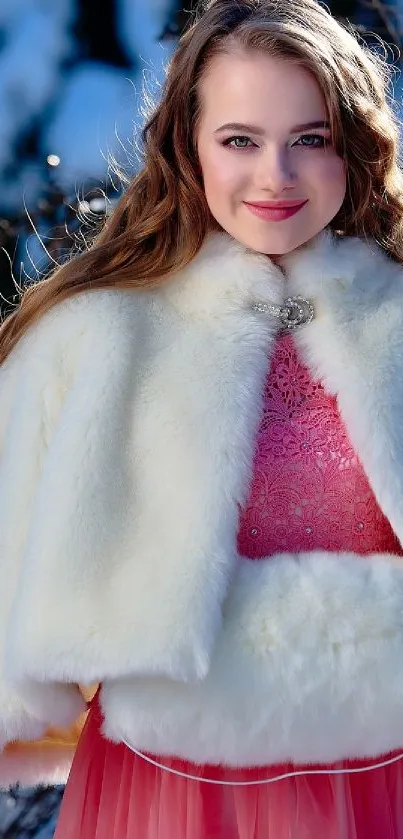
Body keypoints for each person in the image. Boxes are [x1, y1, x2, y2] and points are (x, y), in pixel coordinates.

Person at [1, 0, 403, 835]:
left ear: (352, 145)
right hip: (170, 789)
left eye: (310, 138)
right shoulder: (95, 338)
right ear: (187, 144)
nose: (275, 177)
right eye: (239, 140)